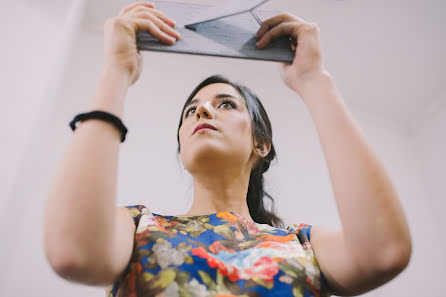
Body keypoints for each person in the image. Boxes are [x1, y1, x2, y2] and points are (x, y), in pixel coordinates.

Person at [44, 2, 412, 297]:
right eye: (191, 111)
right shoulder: (136, 226)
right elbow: (72, 252)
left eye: (226, 105)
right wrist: (116, 71)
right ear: (182, 145)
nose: (202, 110)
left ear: (261, 144)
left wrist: (315, 80)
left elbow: (383, 254)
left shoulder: (304, 244)